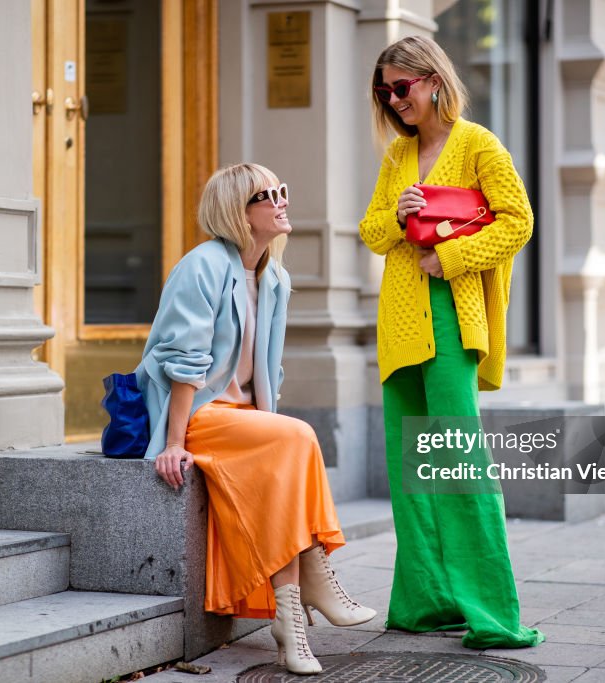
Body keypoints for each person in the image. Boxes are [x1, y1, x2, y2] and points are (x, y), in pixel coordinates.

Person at [135, 163, 376, 675]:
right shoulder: (201, 266)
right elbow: (184, 364)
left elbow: (270, 369)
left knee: (290, 445)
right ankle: (309, 587)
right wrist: (174, 443)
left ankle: (291, 624)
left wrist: (267, 426)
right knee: (298, 436)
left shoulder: (274, 277)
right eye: (267, 195)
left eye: (282, 189)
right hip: (198, 413)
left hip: (243, 417)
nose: (282, 200)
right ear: (236, 212)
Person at [359, 35, 545, 649]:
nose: (393, 100)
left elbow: (517, 221)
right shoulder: (397, 155)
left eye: (401, 87)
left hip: (450, 318)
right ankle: (429, 603)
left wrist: (454, 256)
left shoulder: (476, 143)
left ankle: (492, 613)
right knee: (413, 470)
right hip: (399, 323)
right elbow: (373, 231)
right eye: (384, 91)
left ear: (434, 79)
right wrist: (398, 211)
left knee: (459, 460)